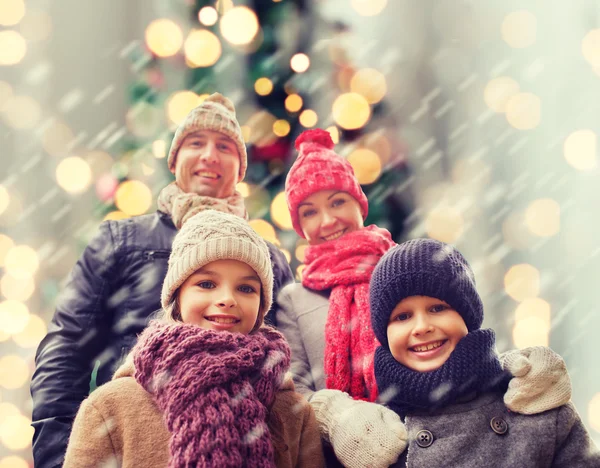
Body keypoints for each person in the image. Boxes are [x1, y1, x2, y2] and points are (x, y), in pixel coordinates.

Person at [275, 129, 573, 467]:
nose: (328, 220)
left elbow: (463, 341)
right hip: (346, 454)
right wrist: (339, 416)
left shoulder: (403, 269)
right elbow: (295, 391)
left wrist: (517, 373)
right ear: (299, 224)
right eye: (310, 211)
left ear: (358, 202)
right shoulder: (295, 300)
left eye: (337, 202)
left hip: (427, 426)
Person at [31, 93, 294, 468]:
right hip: (136, 439)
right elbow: (66, 348)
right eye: (195, 143)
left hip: (245, 444)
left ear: (240, 169)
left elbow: (289, 360)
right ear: (174, 160)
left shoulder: (266, 258)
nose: (209, 155)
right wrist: (63, 457)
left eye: (224, 146)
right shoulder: (121, 241)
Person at [62, 210, 324, 467]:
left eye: (246, 288)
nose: (227, 299)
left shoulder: (292, 412)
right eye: (207, 284)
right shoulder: (111, 407)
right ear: (178, 296)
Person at [369, 238, 600, 467]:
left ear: (467, 317)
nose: (421, 327)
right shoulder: (374, 436)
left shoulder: (535, 404)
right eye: (402, 316)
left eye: (437, 308)